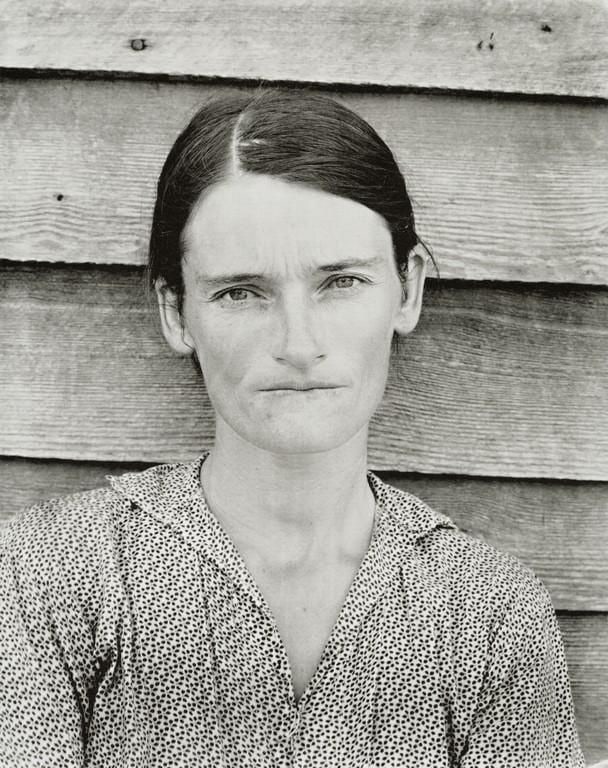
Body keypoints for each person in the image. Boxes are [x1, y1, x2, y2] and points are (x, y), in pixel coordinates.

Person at [0, 89, 584, 767]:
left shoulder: (488, 614)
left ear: (409, 288)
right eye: (241, 292)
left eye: (340, 282)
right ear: (175, 312)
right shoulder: (45, 576)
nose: (298, 342)